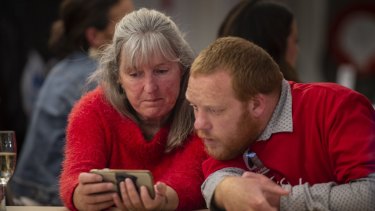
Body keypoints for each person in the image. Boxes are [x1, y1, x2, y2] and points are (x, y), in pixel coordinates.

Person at [186, 37, 375, 210]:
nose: (199, 125)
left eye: (214, 110)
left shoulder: (337, 107)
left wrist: (280, 199)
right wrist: (225, 189)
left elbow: (370, 193)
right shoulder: (224, 136)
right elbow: (216, 178)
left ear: (256, 104)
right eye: (194, 106)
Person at [59, 8, 208, 211]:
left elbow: (193, 179)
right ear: (118, 76)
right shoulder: (92, 110)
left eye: (161, 71)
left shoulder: (202, 110)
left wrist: (164, 201)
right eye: (135, 74)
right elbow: (74, 177)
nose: (150, 88)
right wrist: (79, 195)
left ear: (182, 69)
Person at [9, 0, 134, 206]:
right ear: (94, 36)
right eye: (125, 25)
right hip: (49, 199)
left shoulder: (68, 67)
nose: (137, 31)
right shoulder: (93, 76)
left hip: (33, 190)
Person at [218, 0, 300, 82]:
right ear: (276, 46)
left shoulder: (214, 88)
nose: (297, 50)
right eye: (295, 41)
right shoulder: (296, 92)